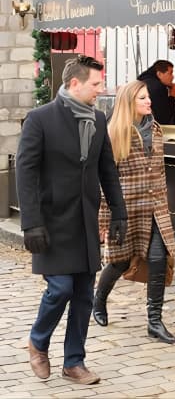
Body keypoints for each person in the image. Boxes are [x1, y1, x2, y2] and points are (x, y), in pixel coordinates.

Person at [16, 55, 128, 385]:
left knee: (83, 294)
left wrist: (118, 211)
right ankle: (38, 342)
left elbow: (107, 169)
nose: (101, 89)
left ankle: (74, 362)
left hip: (85, 221)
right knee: (60, 288)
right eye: (96, 84)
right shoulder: (40, 119)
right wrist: (30, 222)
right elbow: (25, 173)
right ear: (74, 84)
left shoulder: (98, 119)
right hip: (51, 222)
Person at [93, 80, 175, 344]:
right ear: (129, 102)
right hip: (126, 208)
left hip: (154, 207)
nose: (148, 101)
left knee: (158, 257)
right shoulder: (114, 132)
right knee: (119, 261)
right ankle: (98, 300)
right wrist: (104, 220)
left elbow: (160, 170)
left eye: (148, 97)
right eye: (142, 98)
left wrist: (163, 201)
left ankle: (154, 321)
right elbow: (105, 179)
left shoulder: (155, 128)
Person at [137, 60, 175, 124]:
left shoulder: (140, 83)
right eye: (170, 73)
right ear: (159, 74)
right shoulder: (158, 87)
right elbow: (165, 116)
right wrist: (172, 96)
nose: (173, 77)